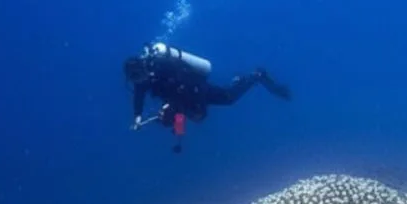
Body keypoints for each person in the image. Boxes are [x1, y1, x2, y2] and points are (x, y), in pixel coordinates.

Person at [124, 42, 290, 151]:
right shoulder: (142, 80)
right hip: (180, 101)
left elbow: (185, 80)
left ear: (141, 69)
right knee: (185, 117)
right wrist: (137, 116)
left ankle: (256, 75)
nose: (138, 81)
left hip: (196, 89)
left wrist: (172, 105)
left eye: (137, 77)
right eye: (134, 80)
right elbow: (138, 96)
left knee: (228, 98)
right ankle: (178, 137)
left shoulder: (163, 65)